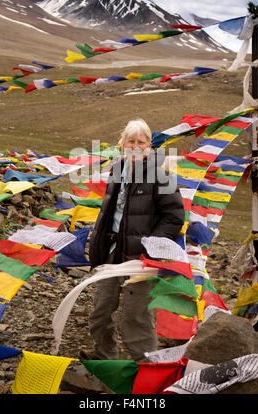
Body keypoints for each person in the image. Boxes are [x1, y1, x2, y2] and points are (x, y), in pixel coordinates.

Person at [81, 119, 185, 362]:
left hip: (143, 259)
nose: (135, 146)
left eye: (141, 141)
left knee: (137, 318)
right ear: (123, 144)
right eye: (131, 141)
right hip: (111, 253)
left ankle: (147, 370)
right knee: (100, 311)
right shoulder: (116, 172)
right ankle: (106, 361)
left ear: (149, 145)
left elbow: (174, 216)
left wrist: (152, 248)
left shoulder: (161, 176)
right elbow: (109, 214)